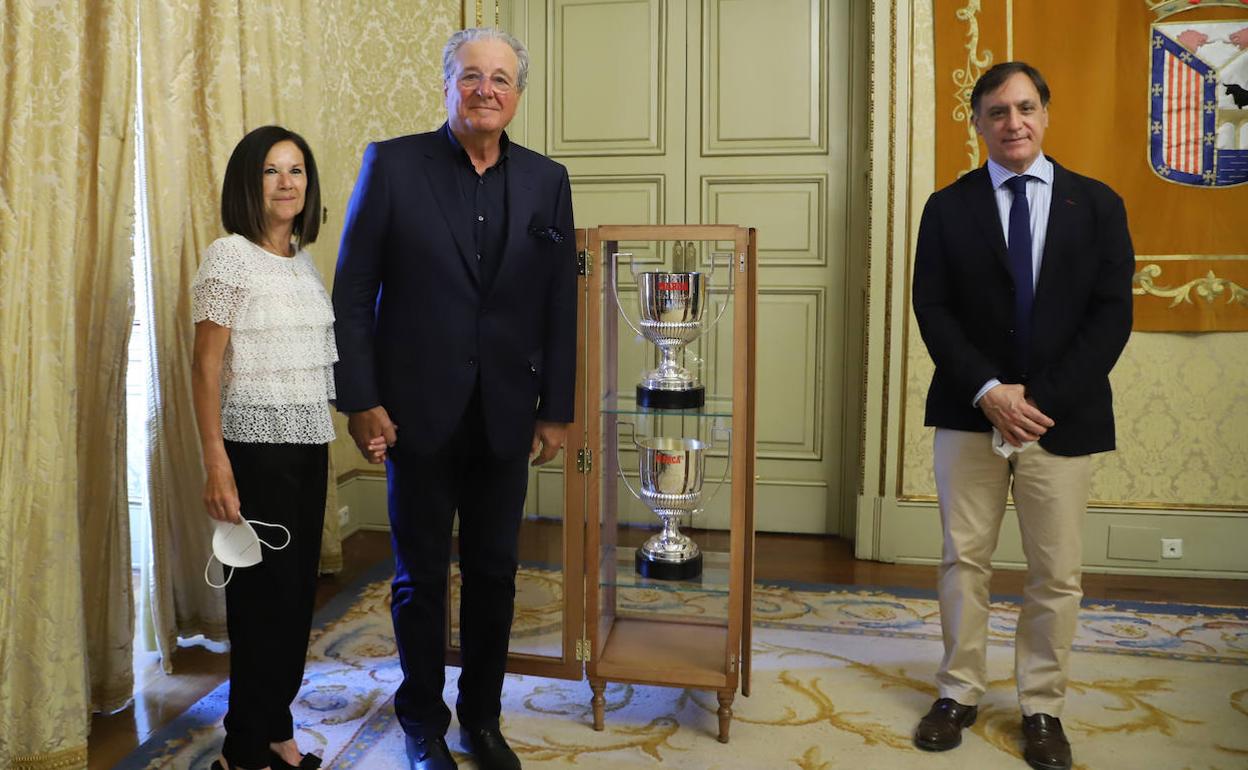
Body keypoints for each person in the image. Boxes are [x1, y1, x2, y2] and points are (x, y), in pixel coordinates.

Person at [331, 28, 577, 770]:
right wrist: (360, 400)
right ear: (447, 84)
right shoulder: (393, 164)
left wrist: (557, 408)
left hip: (506, 413)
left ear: (518, 95)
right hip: (416, 413)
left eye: (501, 79)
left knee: (498, 574)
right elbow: (351, 290)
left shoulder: (547, 180)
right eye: (472, 76)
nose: (487, 90)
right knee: (420, 578)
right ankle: (421, 724)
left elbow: (559, 303)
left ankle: (483, 718)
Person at [910, 62, 1134, 770]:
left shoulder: (1096, 205)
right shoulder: (947, 208)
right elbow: (933, 308)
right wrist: (989, 390)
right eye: (998, 111)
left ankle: (1042, 708)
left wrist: (1037, 402)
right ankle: (958, 693)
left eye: (1026, 107)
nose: (1014, 122)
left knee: (1056, 574)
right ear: (975, 123)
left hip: (1062, 421)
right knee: (963, 560)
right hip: (969, 411)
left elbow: (1111, 318)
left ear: (1046, 114)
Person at [192, 125, 349, 770]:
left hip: (308, 447)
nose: (288, 183)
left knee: (293, 599)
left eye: (297, 171)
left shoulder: (303, 261)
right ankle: (240, 750)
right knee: (259, 605)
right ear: (248, 184)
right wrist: (216, 464)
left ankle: (275, 731)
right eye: (271, 172)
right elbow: (204, 368)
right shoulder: (228, 257)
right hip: (252, 449)